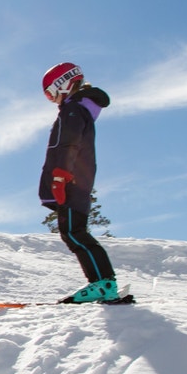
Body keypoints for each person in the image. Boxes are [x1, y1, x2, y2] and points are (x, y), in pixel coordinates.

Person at [38, 61, 120, 303]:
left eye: (51, 93)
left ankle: (103, 283)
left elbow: (67, 144)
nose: (52, 100)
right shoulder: (78, 110)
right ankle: (103, 283)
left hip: (70, 181)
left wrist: (60, 176)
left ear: (63, 84)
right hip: (75, 181)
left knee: (75, 233)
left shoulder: (72, 111)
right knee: (74, 232)